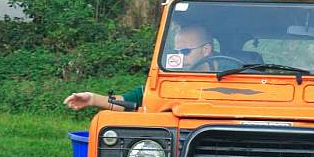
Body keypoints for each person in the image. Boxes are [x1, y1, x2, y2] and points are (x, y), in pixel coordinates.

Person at [63, 25, 216, 111]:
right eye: (176, 52)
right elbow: (128, 101)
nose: (180, 58)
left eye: (185, 52)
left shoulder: (232, 76)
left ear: (206, 50)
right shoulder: (169, 81)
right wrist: (92, 98)